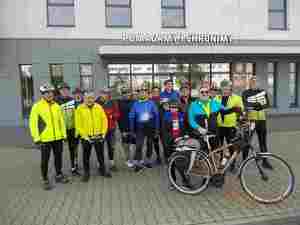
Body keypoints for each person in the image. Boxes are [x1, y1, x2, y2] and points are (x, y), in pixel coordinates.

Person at [29, 83, 69, 190]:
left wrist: (64, 135)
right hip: (45, 139)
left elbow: (61, 121)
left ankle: (58, 175)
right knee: (45, 160)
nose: (49, 94)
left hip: (57, 138)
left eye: (51, 92)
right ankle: (45, 179)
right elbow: (33, 124)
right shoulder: (37, 106)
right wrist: (36, 138)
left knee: (58, 157)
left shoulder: (56, 106)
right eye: (46, 93)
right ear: (42, 94)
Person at [75, 91, 110, 182]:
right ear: (84, 98)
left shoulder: (99, 107)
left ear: (94, 98)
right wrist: (85, 136)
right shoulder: (79, 109)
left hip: (98, 136)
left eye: (91, 98)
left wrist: (103, 133)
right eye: (87, 98)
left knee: (100, 155)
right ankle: (86, 173)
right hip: (86, 137)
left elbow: (104, 120)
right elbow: (78, 125)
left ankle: (102, 170)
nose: (89, 100)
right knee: (86, 156)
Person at [242, 77, 273, 169]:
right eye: (252, 82)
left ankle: (265, 161)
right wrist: (259, 105)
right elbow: (246, 105)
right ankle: (244, 163)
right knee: (247, 142)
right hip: (250, 121)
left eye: (255, 82)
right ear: (249, 83)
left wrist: (256, 105)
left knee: (263, 142)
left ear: (258, 83)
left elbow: (267, 105)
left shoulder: (263, 92)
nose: (254, 84)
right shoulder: (245, 93)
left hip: (262, 120)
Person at [215, 81, 244, 172]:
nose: (225, 90)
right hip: (219, 126)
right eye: (223, 88)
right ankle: (219, 163)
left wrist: (240, 120)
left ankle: (232, 164)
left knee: (231, 146)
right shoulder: (216, 98)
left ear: (230, 88)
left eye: (227, 88)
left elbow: (240, 111)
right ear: (221, 89)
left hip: (231, 126)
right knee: (218, 146)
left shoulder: (237, 98)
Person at [129, 87, 160, 172]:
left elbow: (156, 116)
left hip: (150, 126)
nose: (142, 94)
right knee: (139, 145)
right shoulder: (135, 104)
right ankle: (138, 163)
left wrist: (157, 129)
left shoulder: (151, 103)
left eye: (144, 92)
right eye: (141, 92)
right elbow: (131, 116)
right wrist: (132, 130)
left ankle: (148, 161)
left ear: (147, 94)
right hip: (140, 127)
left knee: (150, 144)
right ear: (139, 94)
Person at [56, 82, 80, 176]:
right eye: (62, 90)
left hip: (72, 129)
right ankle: (59, 171)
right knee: (58, 151)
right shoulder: (55, 101)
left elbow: (77, 115)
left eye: (66, 89)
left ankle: (74, 167)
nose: (64, 91)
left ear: (69, 91)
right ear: (59, 91)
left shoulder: (73, 101)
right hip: (60, 130)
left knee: (73, 149)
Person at [96, 88, 120, 172]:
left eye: (107, 93)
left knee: (111, 146)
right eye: (103, 93)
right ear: (100, 93)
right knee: (100, 147)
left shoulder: (113, 102)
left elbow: (117, 114)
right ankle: (100, 163)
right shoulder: (96, 102)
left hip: (111, 129)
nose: (105, 95)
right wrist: (107, 114)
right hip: (100, 129)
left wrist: (112, 116)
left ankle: (111, 163)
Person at [160, 79, 180, 162]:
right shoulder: (162, 94)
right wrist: (168, 104)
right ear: (165, 85)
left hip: (175, 118)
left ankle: (174, 155)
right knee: (166, 139)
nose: (170, 86)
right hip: (166, 119)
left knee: (175, 137)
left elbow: (178, 104)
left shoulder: (176, 93)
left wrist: (169, 104)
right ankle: (166, 156)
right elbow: (163, 106)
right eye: (168, 84)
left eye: (171, 84)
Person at [118, 87, 136, 168]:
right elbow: (118, 118)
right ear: (122, 94)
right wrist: (121, 130)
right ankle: (128, 159)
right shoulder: (119, 103)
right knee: (126, 145)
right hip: (124, 128)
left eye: (128, 93)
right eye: (124, 93)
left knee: (135, 144)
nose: (126, 94)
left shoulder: (134, 102)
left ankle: (135, 159)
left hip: (134, 127)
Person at [148, 86, 162, 165]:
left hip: (162, 125)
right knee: (154, 142)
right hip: (153, 125)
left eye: (157, 91)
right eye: (154, 92)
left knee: (164, 142)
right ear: (152, 93)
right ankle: (158, 156)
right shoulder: (149, 101)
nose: (156, 93)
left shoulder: (162, 100)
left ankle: (166, 156)